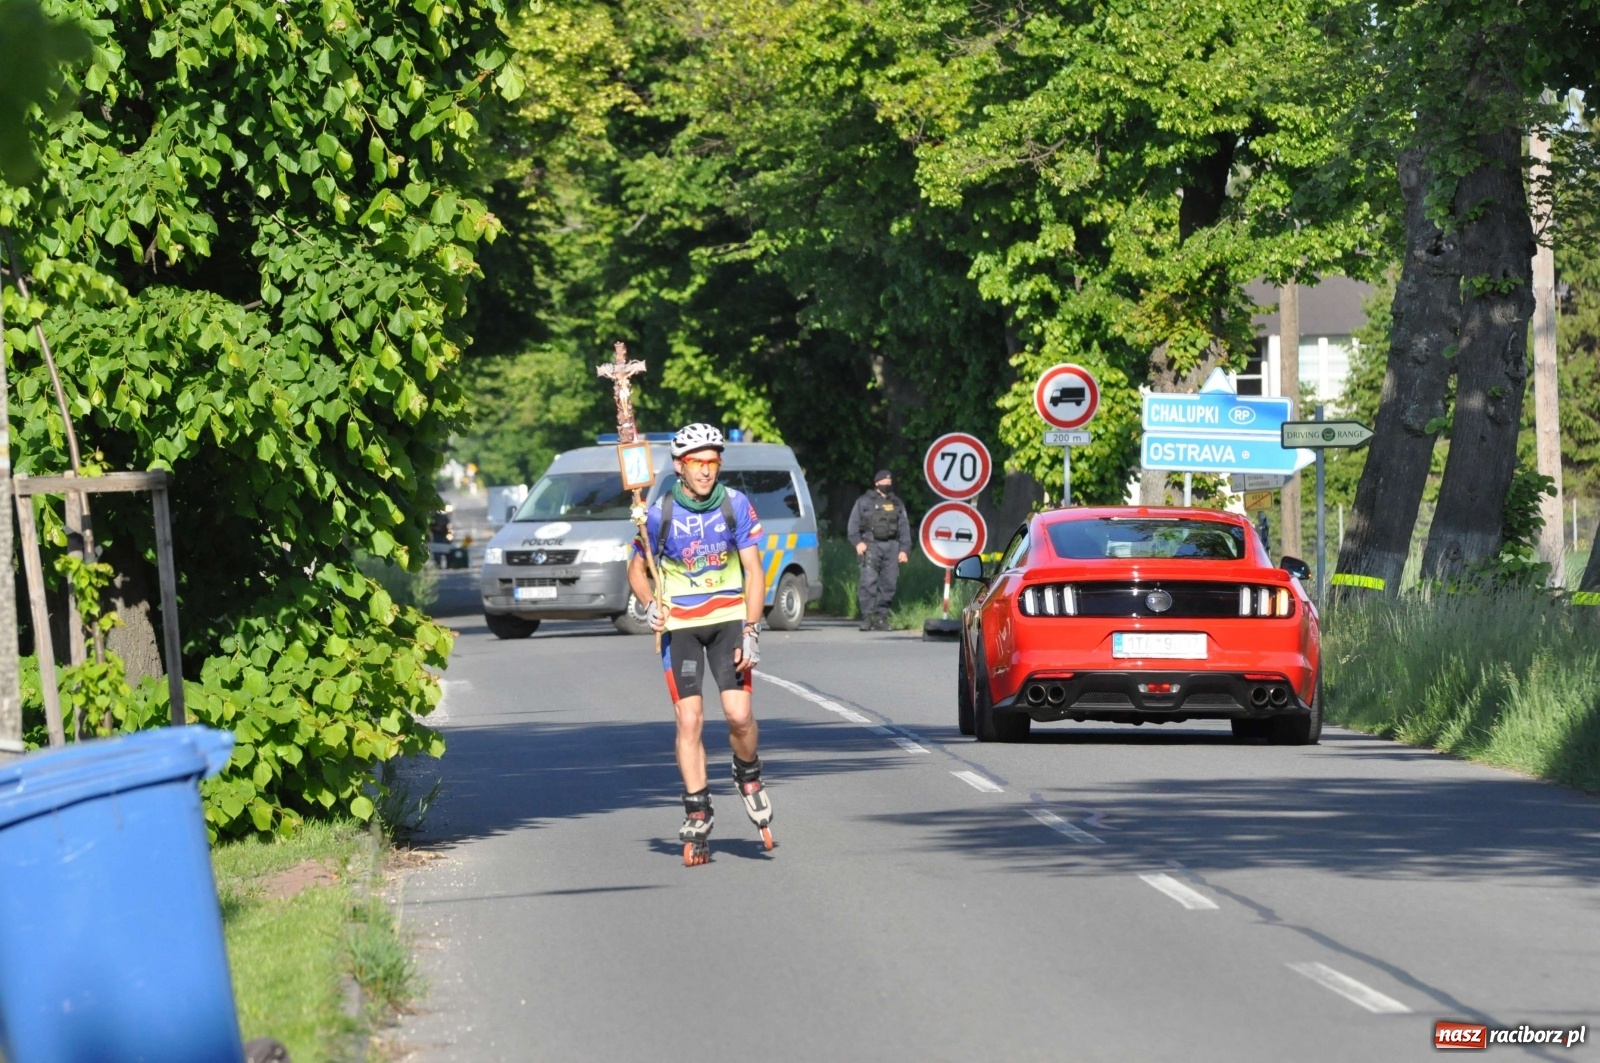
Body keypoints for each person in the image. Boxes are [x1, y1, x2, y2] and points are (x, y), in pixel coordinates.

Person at [626, 423, 774, 866]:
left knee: (739, 715)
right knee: (689, 720)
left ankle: (747, 771)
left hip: (729, 620)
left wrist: (752, 629)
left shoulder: (735, 504)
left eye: (713, 462)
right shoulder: (658, 512)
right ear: (679, 466)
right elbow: (636, 570)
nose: (706, 471)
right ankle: (697, 808)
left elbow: (754, 571)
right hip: (681, 627)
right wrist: (649, 604)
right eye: (697, 462)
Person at [847, 470, 910, 631]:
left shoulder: (897, 503)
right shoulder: (864, 501)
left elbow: (904, 527)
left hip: (892, 546)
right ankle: (867, 618)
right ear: (877, 483)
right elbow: (853, 525)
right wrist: (857, 543)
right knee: (868, 582)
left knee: (889, 583)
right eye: (884, 482)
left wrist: (904, 550)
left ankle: (881, 618)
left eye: (889, 482)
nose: (887, 484)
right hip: (871, 545)